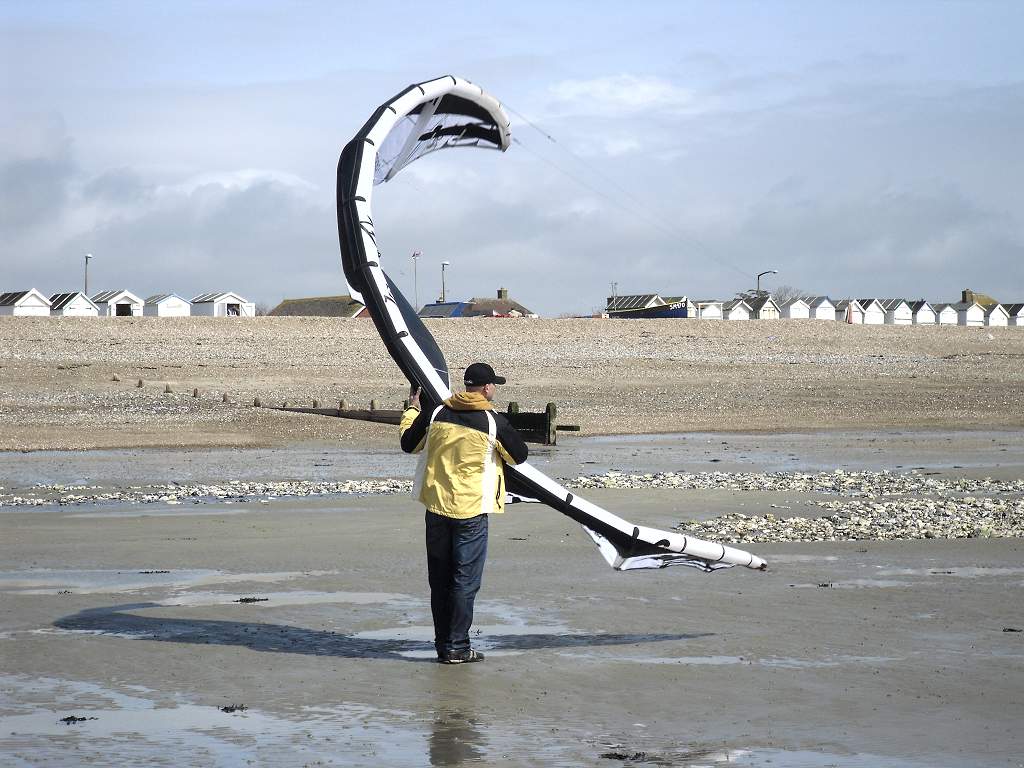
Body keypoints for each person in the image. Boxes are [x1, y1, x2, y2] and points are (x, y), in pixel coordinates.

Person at [400, 362, 529, 664]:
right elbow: (519, 456)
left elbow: (409, 445)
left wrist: (410, 412)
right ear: (486, 388)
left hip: (436, 508)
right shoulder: (492, 421)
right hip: (471, 511)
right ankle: (457, 647)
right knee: (464, 581)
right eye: (493, 385)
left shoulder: (435, 413)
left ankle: (443, 644)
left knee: (440, 580)